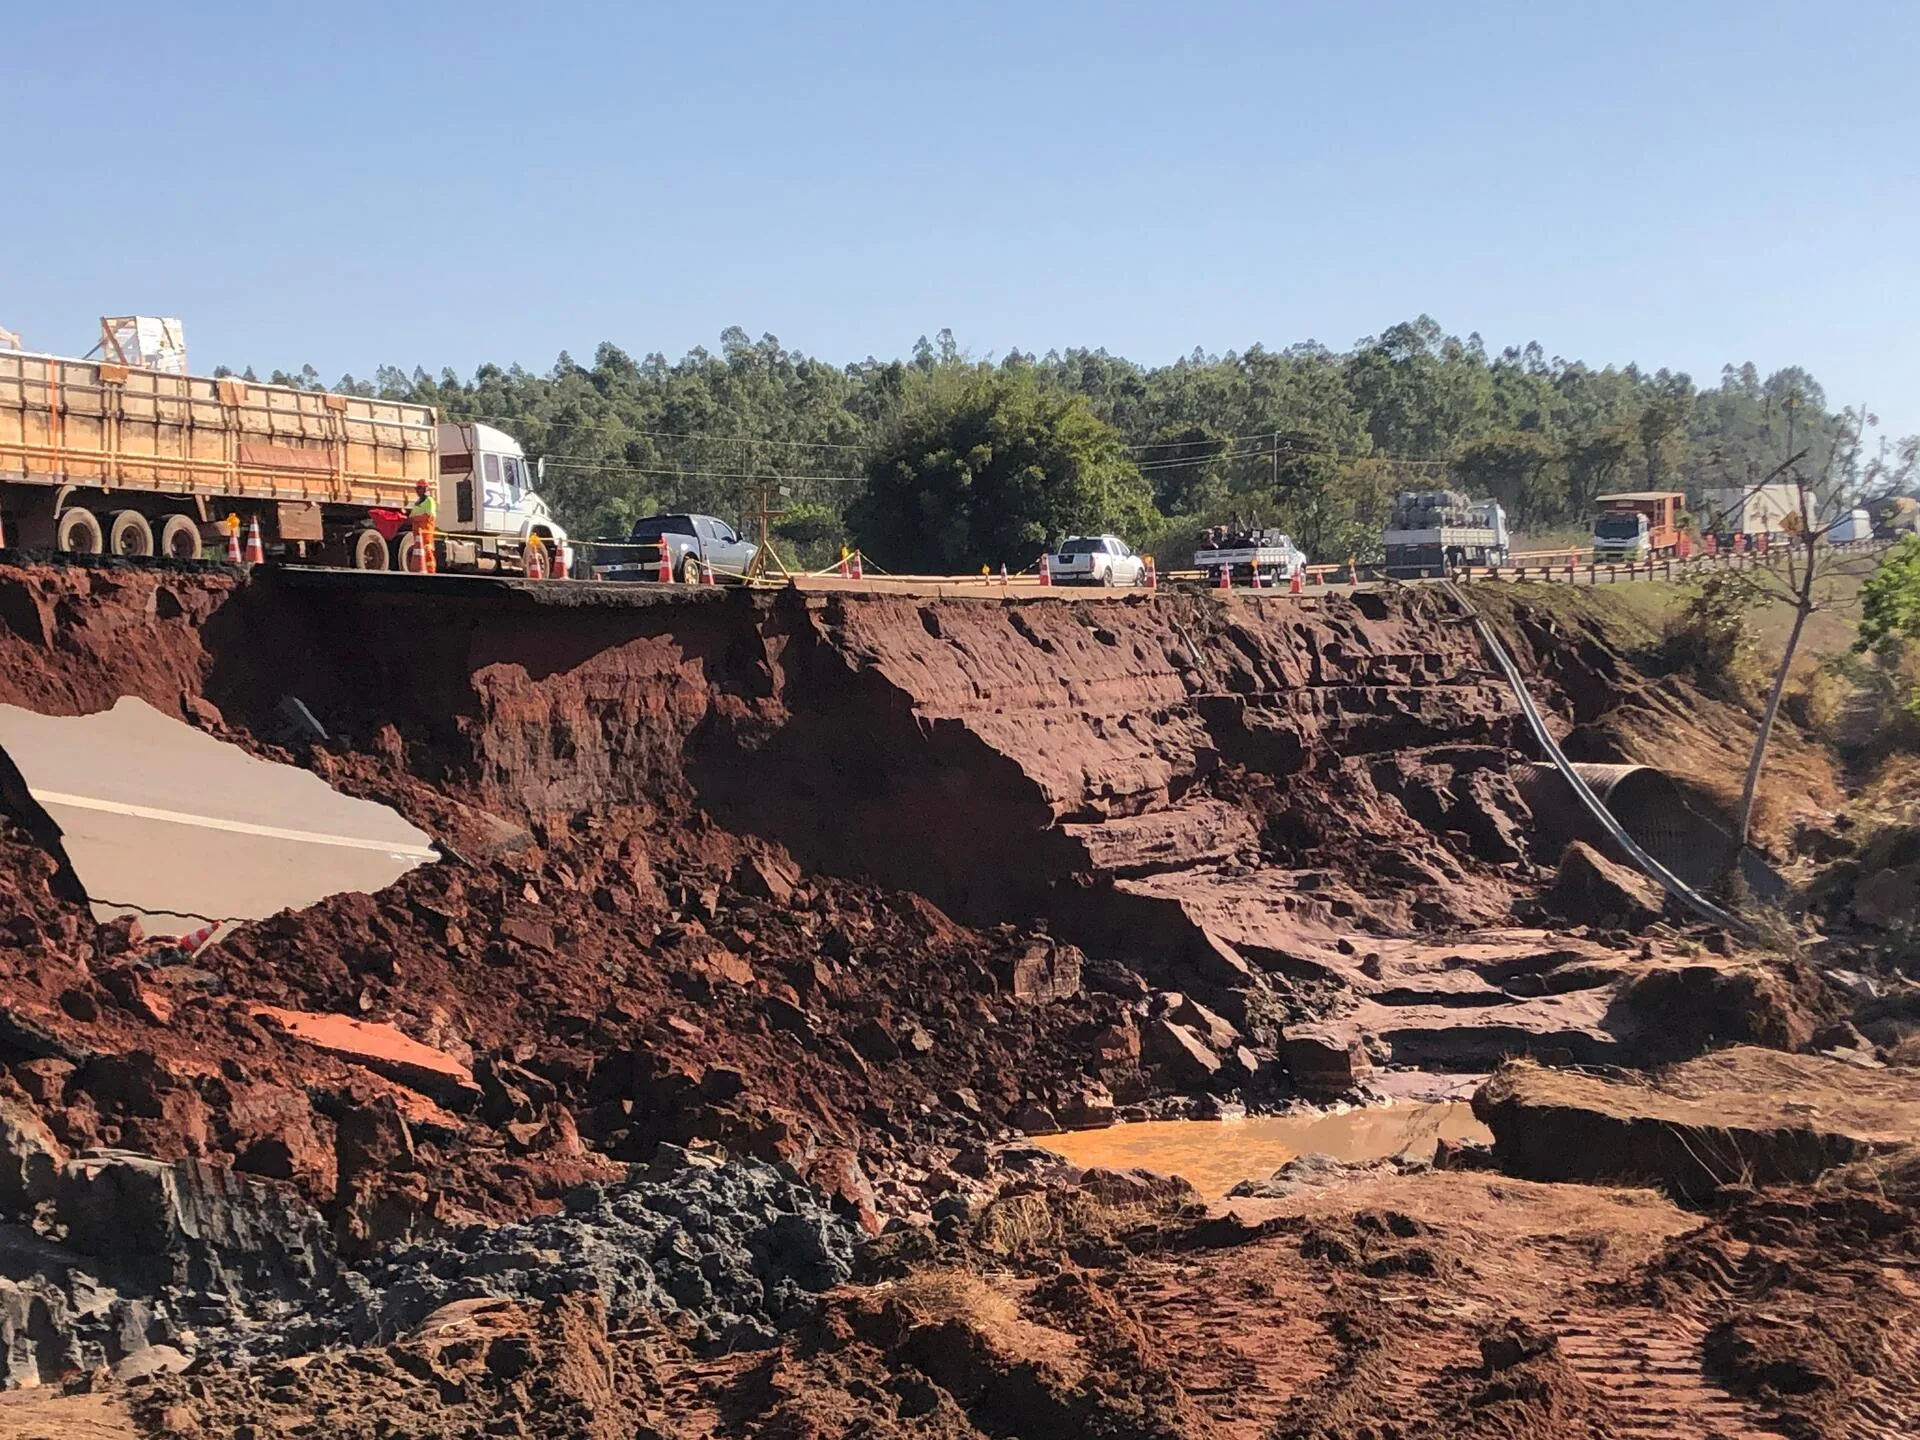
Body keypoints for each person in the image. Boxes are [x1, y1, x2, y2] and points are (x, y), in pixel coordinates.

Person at [408, 479, 438, 574]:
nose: (418, 491)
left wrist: (415, 519)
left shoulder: (429, 501)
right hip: (417, 532)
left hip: (426, 530)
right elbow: (412, 516)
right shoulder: (417, 502)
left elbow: (429, 516)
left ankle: (431, 571)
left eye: (420, 488)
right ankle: (421, 569)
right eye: (417, 488)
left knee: (427, 549)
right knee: (419, 551)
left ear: (425, 489)